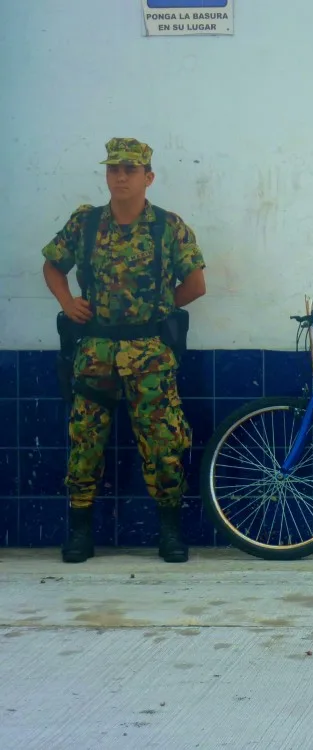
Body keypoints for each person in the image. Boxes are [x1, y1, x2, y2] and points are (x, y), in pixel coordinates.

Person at [41, 137, 207, 563]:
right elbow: (53, 265)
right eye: (114, 169)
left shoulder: (169, 227)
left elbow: (196, 284)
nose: (120, 176)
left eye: (130, 169)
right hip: (95, 350)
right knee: (85, 442)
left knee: (163, 441)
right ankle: (80, 533)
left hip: (150, 352)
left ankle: (170, 533)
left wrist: (158, 310)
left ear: (148, 177)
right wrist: (67, 302)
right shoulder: (87, 223)